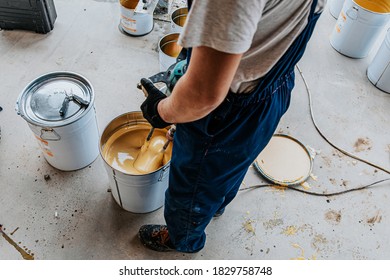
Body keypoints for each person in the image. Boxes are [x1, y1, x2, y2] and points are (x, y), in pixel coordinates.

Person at [138, 0, 326, 253]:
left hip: (227, 112)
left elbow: (203, 94)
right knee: (231, 165)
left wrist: (162, 112)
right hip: (272, 88)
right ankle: (215, 205)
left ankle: (182, 239)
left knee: (190, 190)